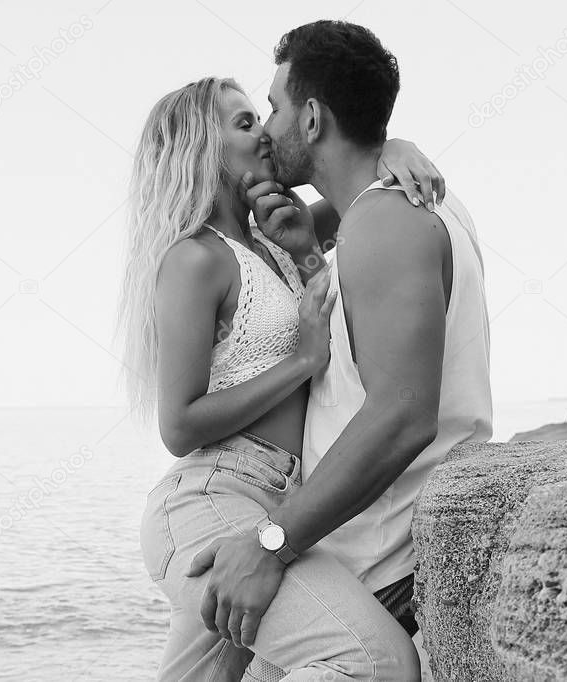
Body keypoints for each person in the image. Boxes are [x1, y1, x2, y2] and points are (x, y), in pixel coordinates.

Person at [186, 19, 493, 679]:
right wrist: (308, 244)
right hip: (354, 553)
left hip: (378, 564)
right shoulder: (391, 213)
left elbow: (402, 414)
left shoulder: (386, 222)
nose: (266, 127)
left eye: (273, 106)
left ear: (314, 117)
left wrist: (270, 542)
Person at [120, 74, 444, 679]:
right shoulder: (195, 258)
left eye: (262, 116)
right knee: (374, 660)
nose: (266, 133)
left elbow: (358, 189)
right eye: (244, 123)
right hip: (212, 497)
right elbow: (179, 424)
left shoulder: (276, 238)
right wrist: (302, 361)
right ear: (201, 149)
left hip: (277, 499)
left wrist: (395, 146)